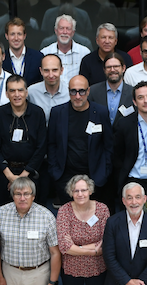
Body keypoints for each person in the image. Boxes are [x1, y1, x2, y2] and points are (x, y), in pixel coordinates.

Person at [47, 75, 114, 206]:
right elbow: (51, 144)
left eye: (81, 91)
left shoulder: (100, 112)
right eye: (73, 91)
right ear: (68, 91)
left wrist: (104, 173)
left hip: (94, 176)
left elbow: (108, 145)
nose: (77, 96)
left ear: (88, 91)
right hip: (65, 177)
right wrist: (55, 172)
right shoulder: (57, 112)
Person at [0, 75, 50, 205]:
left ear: (26, 92)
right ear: (6, 93)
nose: (17, 94)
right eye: (12, 90)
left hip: (32, 173)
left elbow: (41, 147)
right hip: (5, 173)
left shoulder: (37, 113)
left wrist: (23, 176)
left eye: (20, 90)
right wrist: (10, 176)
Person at [41, 14, 91, 83]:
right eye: (61, 28)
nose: (64, 32)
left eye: (68, 29)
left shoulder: (84, 53)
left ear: (73, 32)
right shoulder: (45, 53)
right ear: (56, 31)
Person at [89, 54, 134, 126]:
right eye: (109, 67)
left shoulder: (133, 92)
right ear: (104, 70)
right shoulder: (93, 91)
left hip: (125, 136)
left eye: (116, 66)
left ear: (123, 68)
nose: (112, 70)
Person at [28, 55, 69, 122]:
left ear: (61, 70)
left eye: (54, 70)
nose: (51, 75)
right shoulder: (31, 92)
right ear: (41, 71)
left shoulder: (69, 92)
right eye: (46, 70)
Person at [3, 17, 43, 85]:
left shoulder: (38, 57)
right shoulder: (1, 59)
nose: (16, 38)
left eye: (19, 34)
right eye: (12, 34)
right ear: (6, 36)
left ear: (24, 36)